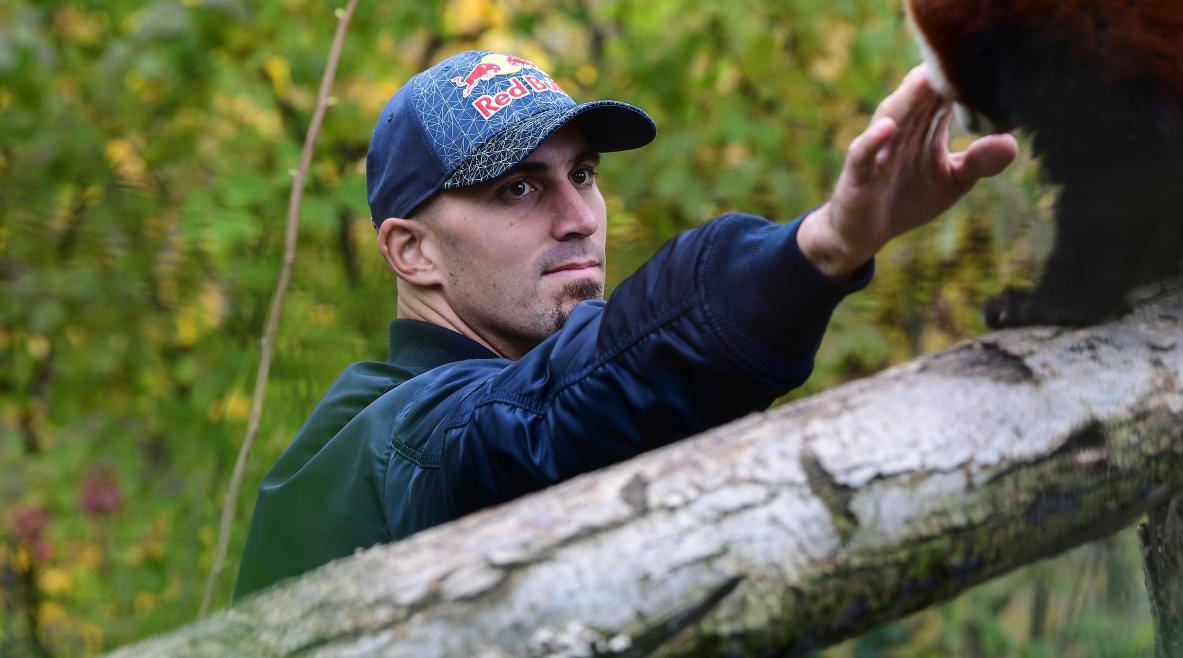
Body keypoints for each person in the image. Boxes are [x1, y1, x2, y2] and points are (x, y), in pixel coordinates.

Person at [234, 48, 1017, 597]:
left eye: (583, 175)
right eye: (518, 188)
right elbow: (553, 407)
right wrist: (821, 248)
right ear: (413, 253)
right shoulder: (391, 438)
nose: (579, 218)